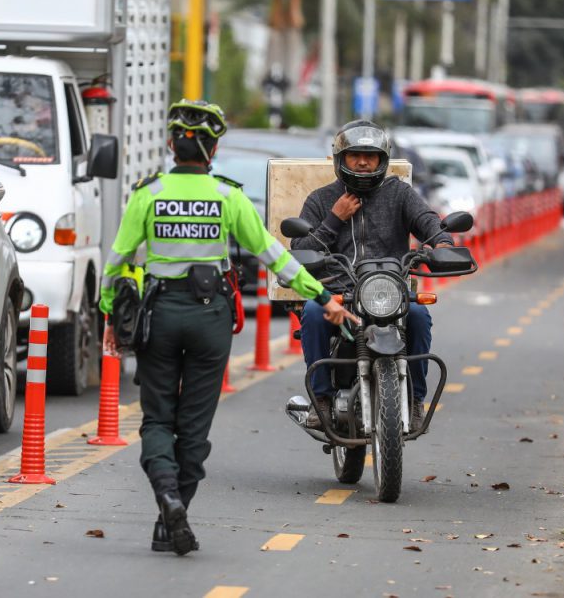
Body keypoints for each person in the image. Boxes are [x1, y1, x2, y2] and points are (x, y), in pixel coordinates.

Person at [100, 99, 347, 556]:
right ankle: (172, 516)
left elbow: (117, 261)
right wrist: (323, 297)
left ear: (171, 146)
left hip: (159, 316)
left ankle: (167, 499)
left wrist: (110, 314)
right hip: (210, 318)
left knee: (157, 419)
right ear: (212, 151)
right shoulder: (228, 196)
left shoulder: (148, 194)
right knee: (193, 427)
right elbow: (275, 258)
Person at [291, 120, 454, 434]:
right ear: (342, 159)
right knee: (312, 312)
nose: (363, 162)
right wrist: (333, 220)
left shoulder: (399, 194)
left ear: (383, 160)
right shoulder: (321, 199)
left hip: (389, 292)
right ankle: (321, 399)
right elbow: (300, 249)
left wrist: (443, 244)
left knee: (419, 315)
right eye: (355, 155)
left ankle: (414, 400)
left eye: (371, 156)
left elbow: (427, 220)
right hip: (339, 293)